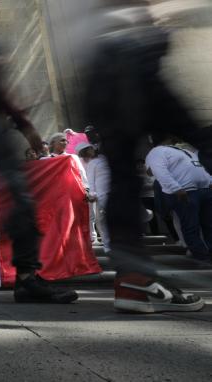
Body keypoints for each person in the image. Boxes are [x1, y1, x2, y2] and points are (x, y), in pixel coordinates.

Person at [83, 4, 210, 312]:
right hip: (128, 63)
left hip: (106, 79)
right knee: (126, 179)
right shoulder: (134, 46)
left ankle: (132, 281)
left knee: (123, 178)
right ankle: (134, 279)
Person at [0, 45, 78, 304]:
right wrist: (29, 131)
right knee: (23, 204)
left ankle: (25, 277)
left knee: (23, 204)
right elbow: (8, 105)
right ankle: (27, 277)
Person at [146, 134, 212, 263]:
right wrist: (176, 188)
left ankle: (209, 251)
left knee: (209, 224)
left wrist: (210, 181)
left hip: (204, 190)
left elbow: (199, 166)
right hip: (185, 191)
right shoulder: (157, 151)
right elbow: (160, 171)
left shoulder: (186, 150)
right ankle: (201, 255)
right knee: (191, 225)